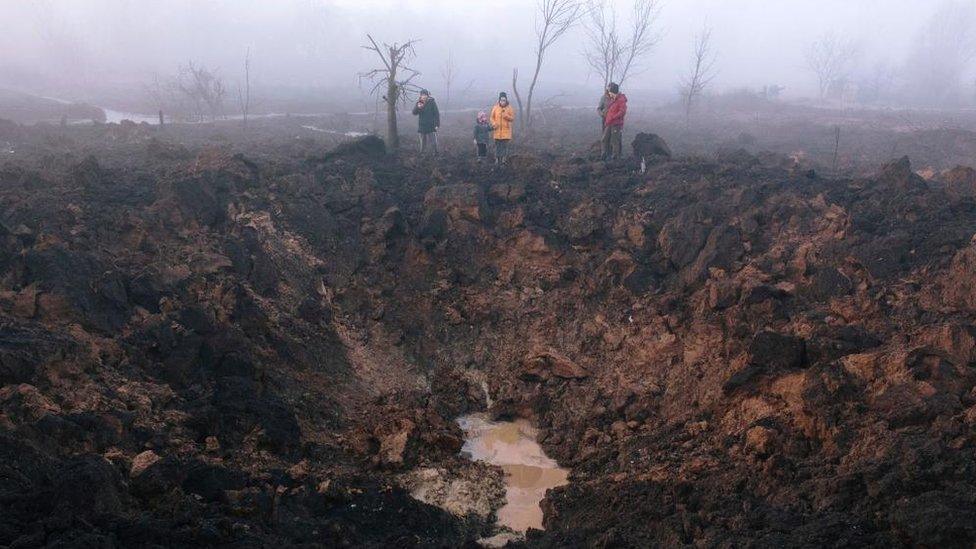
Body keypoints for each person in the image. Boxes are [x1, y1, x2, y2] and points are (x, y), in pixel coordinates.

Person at [602, 82, 627, 161]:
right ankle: (604, 155)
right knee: (604, 139)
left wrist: (613, 117)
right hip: (609, 123)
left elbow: (622, 111)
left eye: (610, 92)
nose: (609, 93)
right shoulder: (613, 99)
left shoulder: (621, 100)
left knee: (615, 141)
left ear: (613, 92)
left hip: (616, 124)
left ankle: (615, 158)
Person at [412, 89, 440, 156]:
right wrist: (418, 107)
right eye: (422, 95)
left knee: (433, 142)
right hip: (422, 125)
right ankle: (422, 153)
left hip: (431, 125)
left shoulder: (432, 102)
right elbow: (414, 113)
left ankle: (435, 153)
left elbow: (436, 114)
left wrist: (437, 124)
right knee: (422, 142)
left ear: (427, 95)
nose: (423, 96)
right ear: (420, 96)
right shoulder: (420, 102)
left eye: (425, 95)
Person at [490, 92, 516, 164]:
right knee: (497, 147)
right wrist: (494, 123)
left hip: (506, 132)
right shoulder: (495, 107)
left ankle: (504, 160)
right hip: (497, 131)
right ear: (499, 100)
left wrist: (506, 116)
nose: (502, 102)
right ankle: (497, 160)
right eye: (501, 100)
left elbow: (512, 118)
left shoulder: (509, 108)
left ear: (506, 100)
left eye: (504, 100)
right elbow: (492, 117)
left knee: (504, 147)